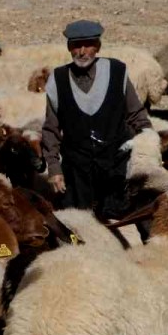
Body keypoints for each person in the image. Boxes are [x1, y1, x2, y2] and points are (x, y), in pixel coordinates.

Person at [40, 20, 152, 219]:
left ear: (97, 46)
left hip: (116, 168)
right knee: (79, 227)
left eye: (88, 44)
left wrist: (149, 148)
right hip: (76, 172)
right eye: (76, 45)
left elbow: (137, 115)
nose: (82, 51)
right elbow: (51, 129)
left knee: (132, 218)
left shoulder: (117, 72)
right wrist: (54, 168)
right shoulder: (58, 79)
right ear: (69, 47)